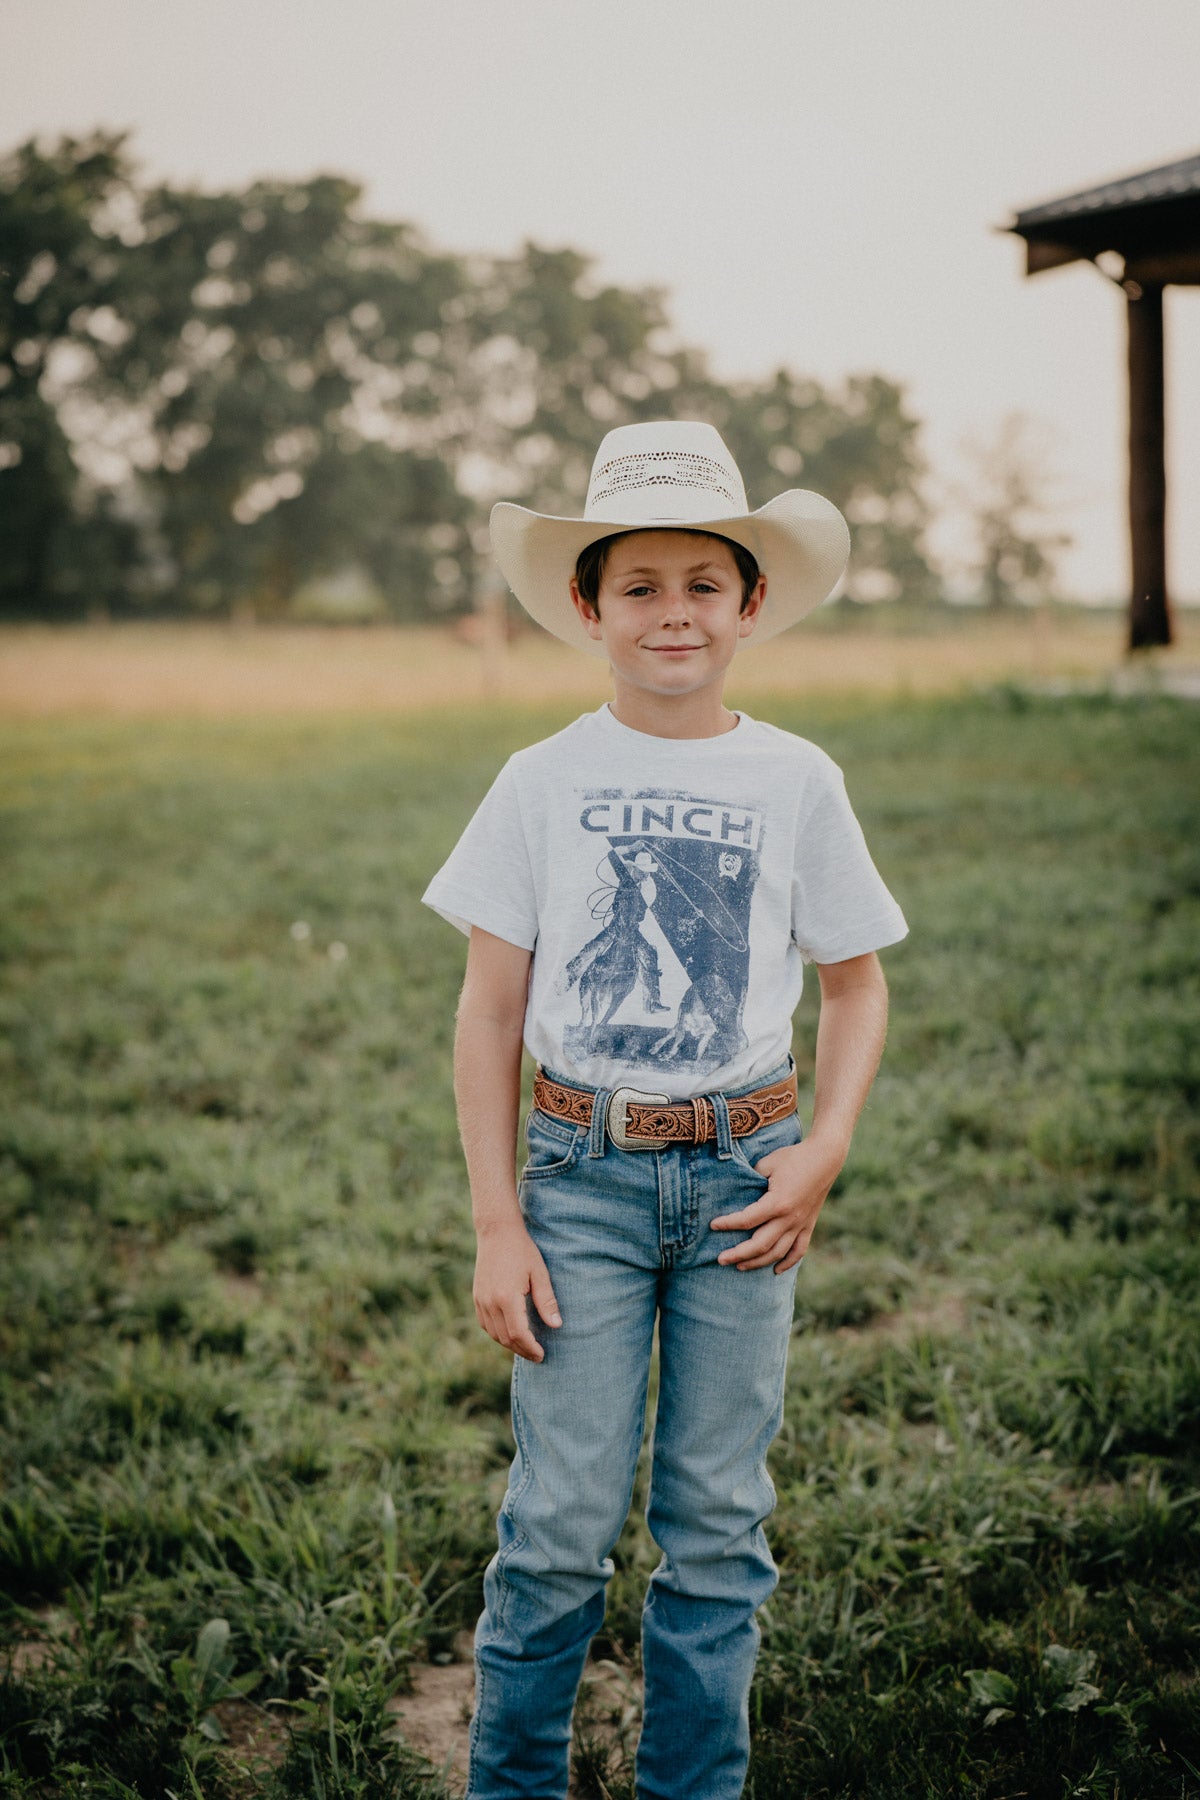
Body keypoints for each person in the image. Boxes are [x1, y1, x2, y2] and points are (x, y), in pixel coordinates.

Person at [422, 420, 908, 1800]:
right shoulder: (542, 781)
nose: (673, 612)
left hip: (749, 1178)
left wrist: (823, 1147)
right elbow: (488, 1013)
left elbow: (858, 991)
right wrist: (497, 1220)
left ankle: (694, 1788)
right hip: (579, 1175)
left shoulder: (797, 780)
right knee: (561, 1519)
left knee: (717, 1522)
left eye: (705, 583)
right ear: (588, 607)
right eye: (639, 585)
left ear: (752, 603)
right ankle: (511, 1785)